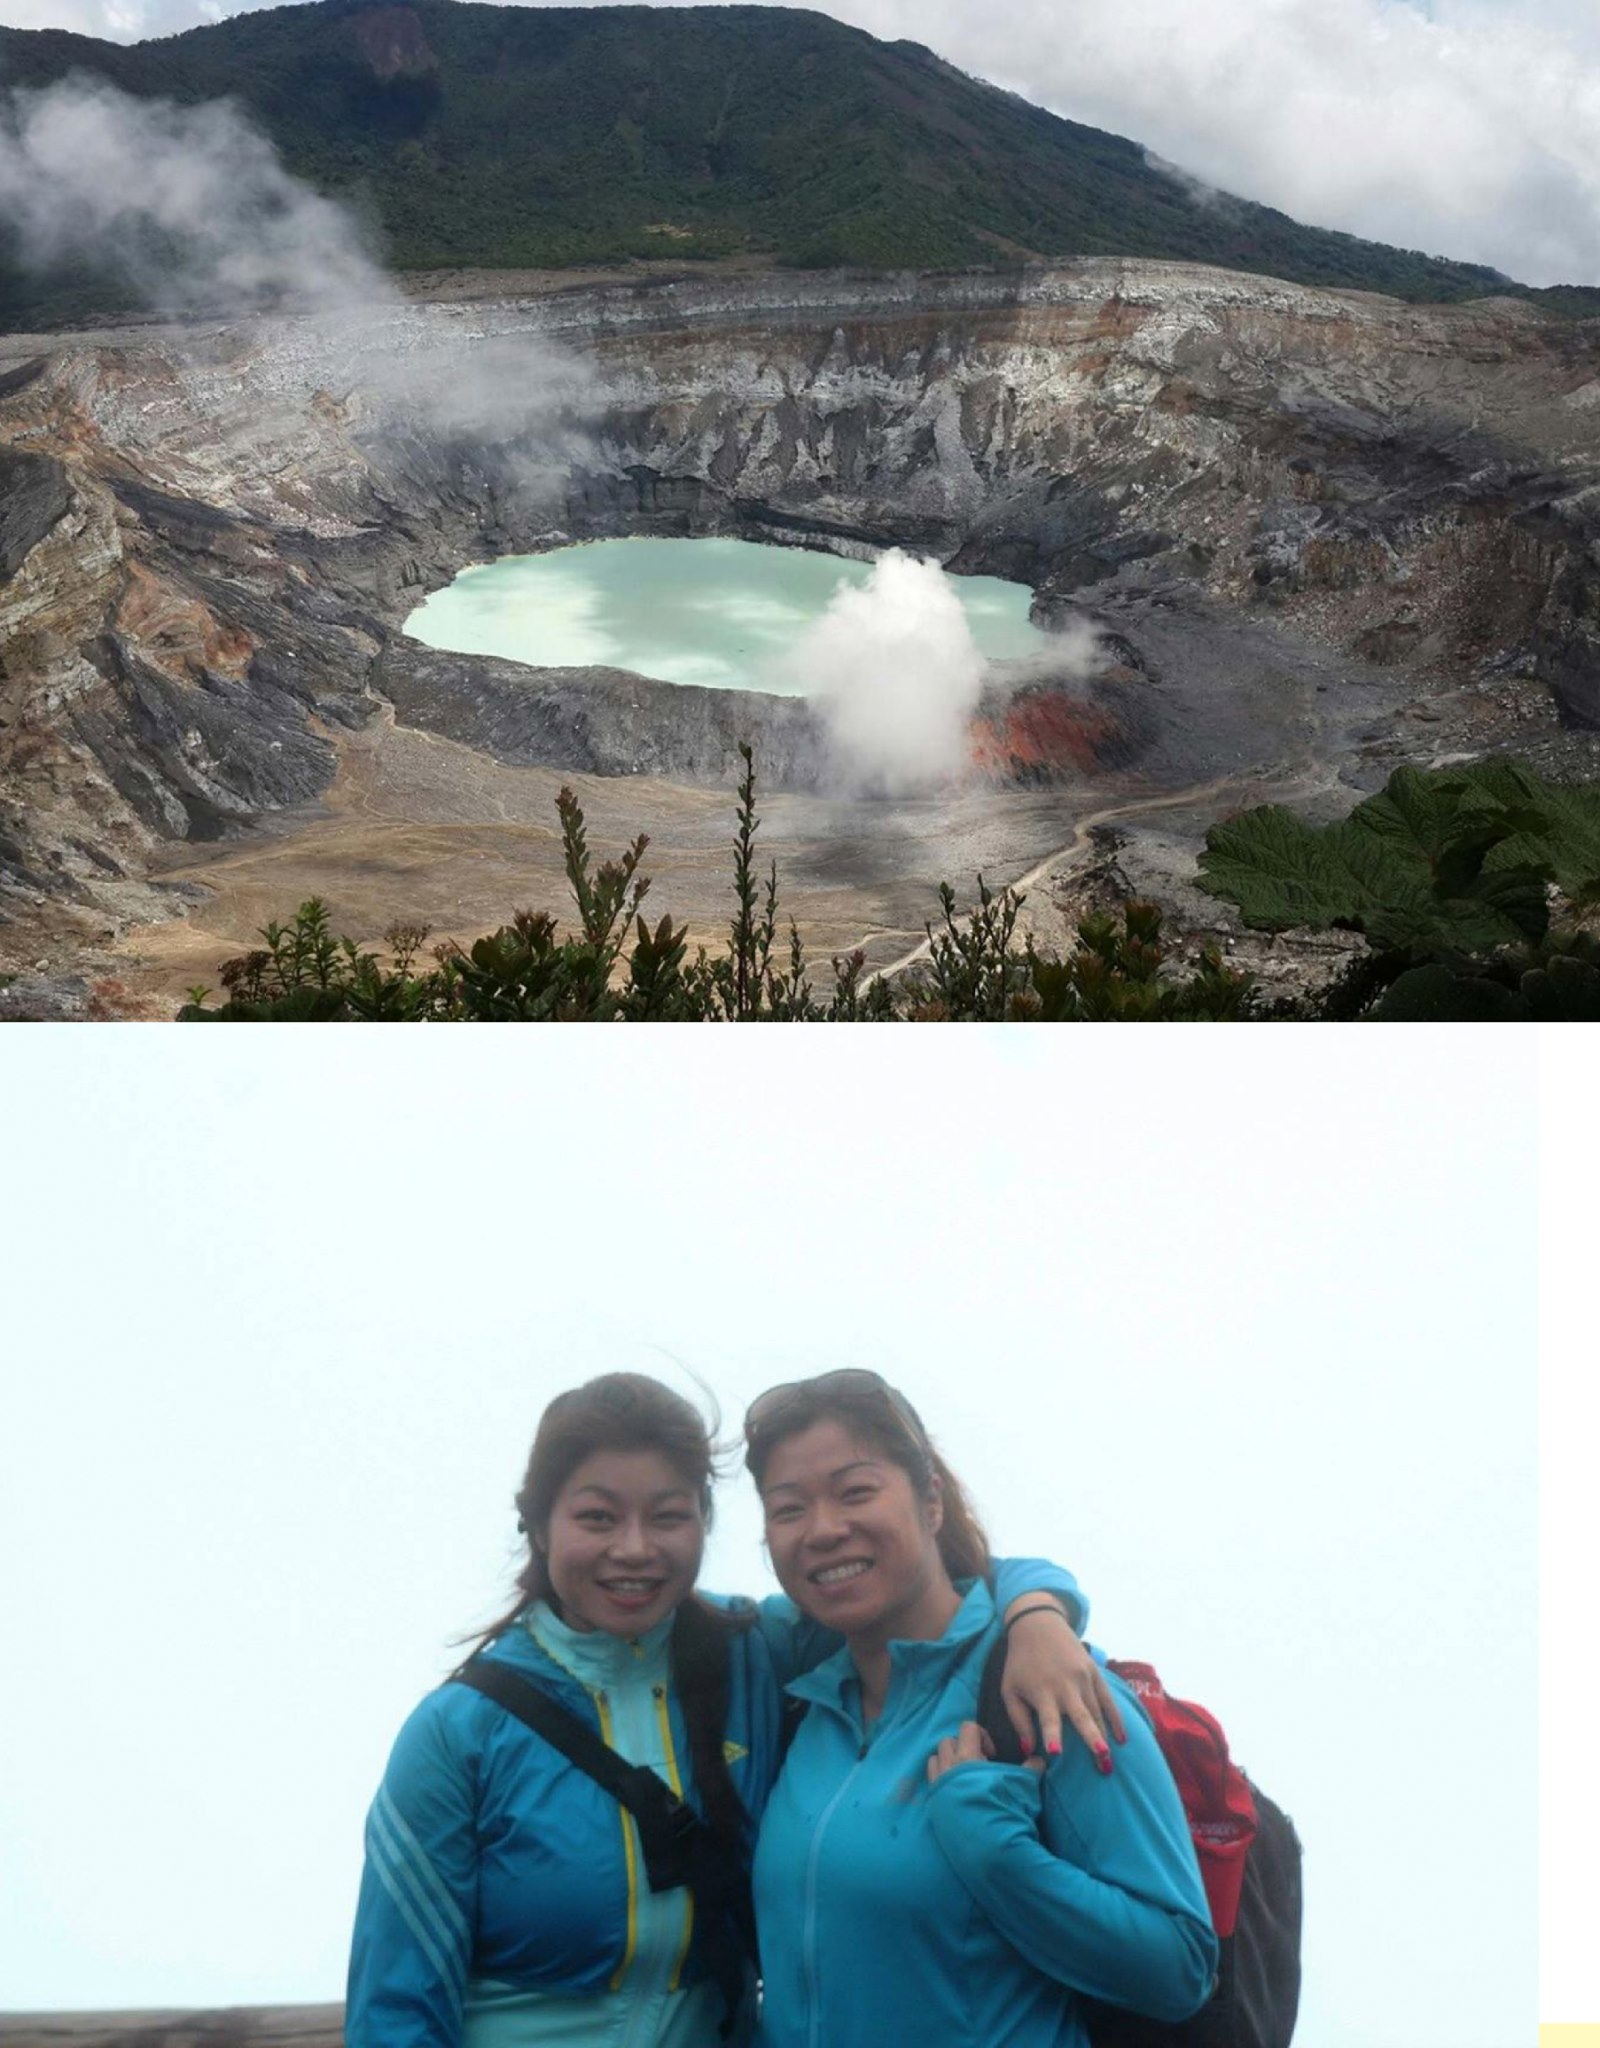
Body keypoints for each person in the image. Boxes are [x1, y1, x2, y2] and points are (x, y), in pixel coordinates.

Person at [346, 1372, 1114, 2048]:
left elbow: (930, 1588)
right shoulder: (461, 1731)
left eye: (668, 1515)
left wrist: (1038, 1613)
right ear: (538, 1526)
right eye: (598, 1518)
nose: (635, 1548)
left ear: (705, 1522)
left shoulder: (763, 1651)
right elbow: (396, 2006)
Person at [745, 1369, 1220, 2048]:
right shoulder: (804, 1705)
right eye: (788, 1508)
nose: (822, 1530)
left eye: (856, 1492)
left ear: (930, 1501)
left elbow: (1179, 1968)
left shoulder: (1042, 1689)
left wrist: (995, 1851)